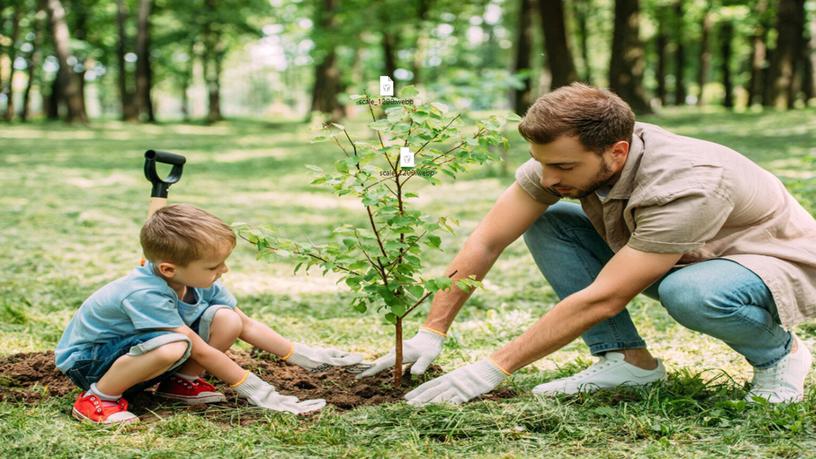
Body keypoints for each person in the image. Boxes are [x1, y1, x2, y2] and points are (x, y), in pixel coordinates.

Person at [359, 83, 816, 406]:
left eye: (563, 166)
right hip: (682, 254)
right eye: (542, 163)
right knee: (550, 220)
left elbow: (607, 296)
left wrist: (492, 368)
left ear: (616, 151)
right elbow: (488, 239)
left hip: (766, 263)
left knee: (692, 293)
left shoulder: (687, 185)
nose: (548, 177)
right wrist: (432, 330)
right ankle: (627, 361)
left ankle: (780, 356)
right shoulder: (561, 164)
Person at [56, 204, 362, 423]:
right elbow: (199, 349)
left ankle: (178, 384)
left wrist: (304, 356)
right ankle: (98, 398)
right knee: (174, 345)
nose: (223, 270)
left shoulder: (196, 281)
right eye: (213, 266)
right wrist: (259, 391)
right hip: (90, 362)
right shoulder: (145, 292)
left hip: (136, 355)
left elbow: (245, 324)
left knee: (227, 318)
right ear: (168, 269)